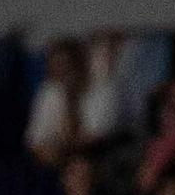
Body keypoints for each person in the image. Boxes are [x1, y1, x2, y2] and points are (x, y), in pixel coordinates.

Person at [26, 37, 115, 167]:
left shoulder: (103, 89)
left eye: (66, 67)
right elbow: (35, 143)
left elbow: (94, 139)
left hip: (97, 158)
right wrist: (58, 161)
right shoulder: (51, 90)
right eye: (56, 70)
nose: (63, 76)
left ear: (80, 66)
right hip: (61, 162)